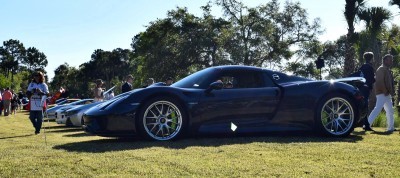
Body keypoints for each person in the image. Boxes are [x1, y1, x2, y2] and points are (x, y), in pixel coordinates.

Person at [367, 54, 396, 133]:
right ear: (385, 60)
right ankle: (367, 125)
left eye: (391, 60)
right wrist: (385, 91)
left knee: (390, 110)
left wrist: (391, 92)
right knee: (378, 109)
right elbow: (379, 81)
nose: (391, 62)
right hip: (382, 93)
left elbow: (389, 83)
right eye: (390, 60)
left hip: (387, 93)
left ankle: (391, 128)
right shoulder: (381, 69)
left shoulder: (387, 69)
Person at [359, 52, 376, 131]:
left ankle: (365, 124)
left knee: (363, 104)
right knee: (365, 105)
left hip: (362, 88)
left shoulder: (362, 66)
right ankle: (366, 125)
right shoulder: (370, 67)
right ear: (371, 58)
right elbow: (372, 79)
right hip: (366, 88)